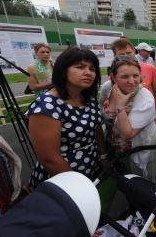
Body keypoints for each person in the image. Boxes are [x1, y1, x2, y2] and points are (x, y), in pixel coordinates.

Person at [27, 47, 107, 188]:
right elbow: (49, 158)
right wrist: (77, 187)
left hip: (93, 168)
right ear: (63, 70)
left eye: (93, 69)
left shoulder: (89, 97)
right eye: (80, 67)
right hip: (63, 178)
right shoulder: (46, 107)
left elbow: (96, 128)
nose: (88, 72)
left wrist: (103, 155)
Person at [101, 55, 156, 180]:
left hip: (140, 145)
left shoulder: (145, 98)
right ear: (113, 78)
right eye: (125, 77)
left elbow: (127, 134)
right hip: (116, 146)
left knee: (142, 179)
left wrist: (120, 107)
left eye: (136, 76)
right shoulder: (109, 88)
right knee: (125, 176)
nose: (132, 81)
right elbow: (103, 110)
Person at [99, 39, 156, 123]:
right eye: (122, 54)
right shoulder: (108, 86)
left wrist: (155, 113)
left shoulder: (150, 68)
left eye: (129, 53)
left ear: (134, 52)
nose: (126, 56)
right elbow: (101, 109)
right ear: (115, 56)